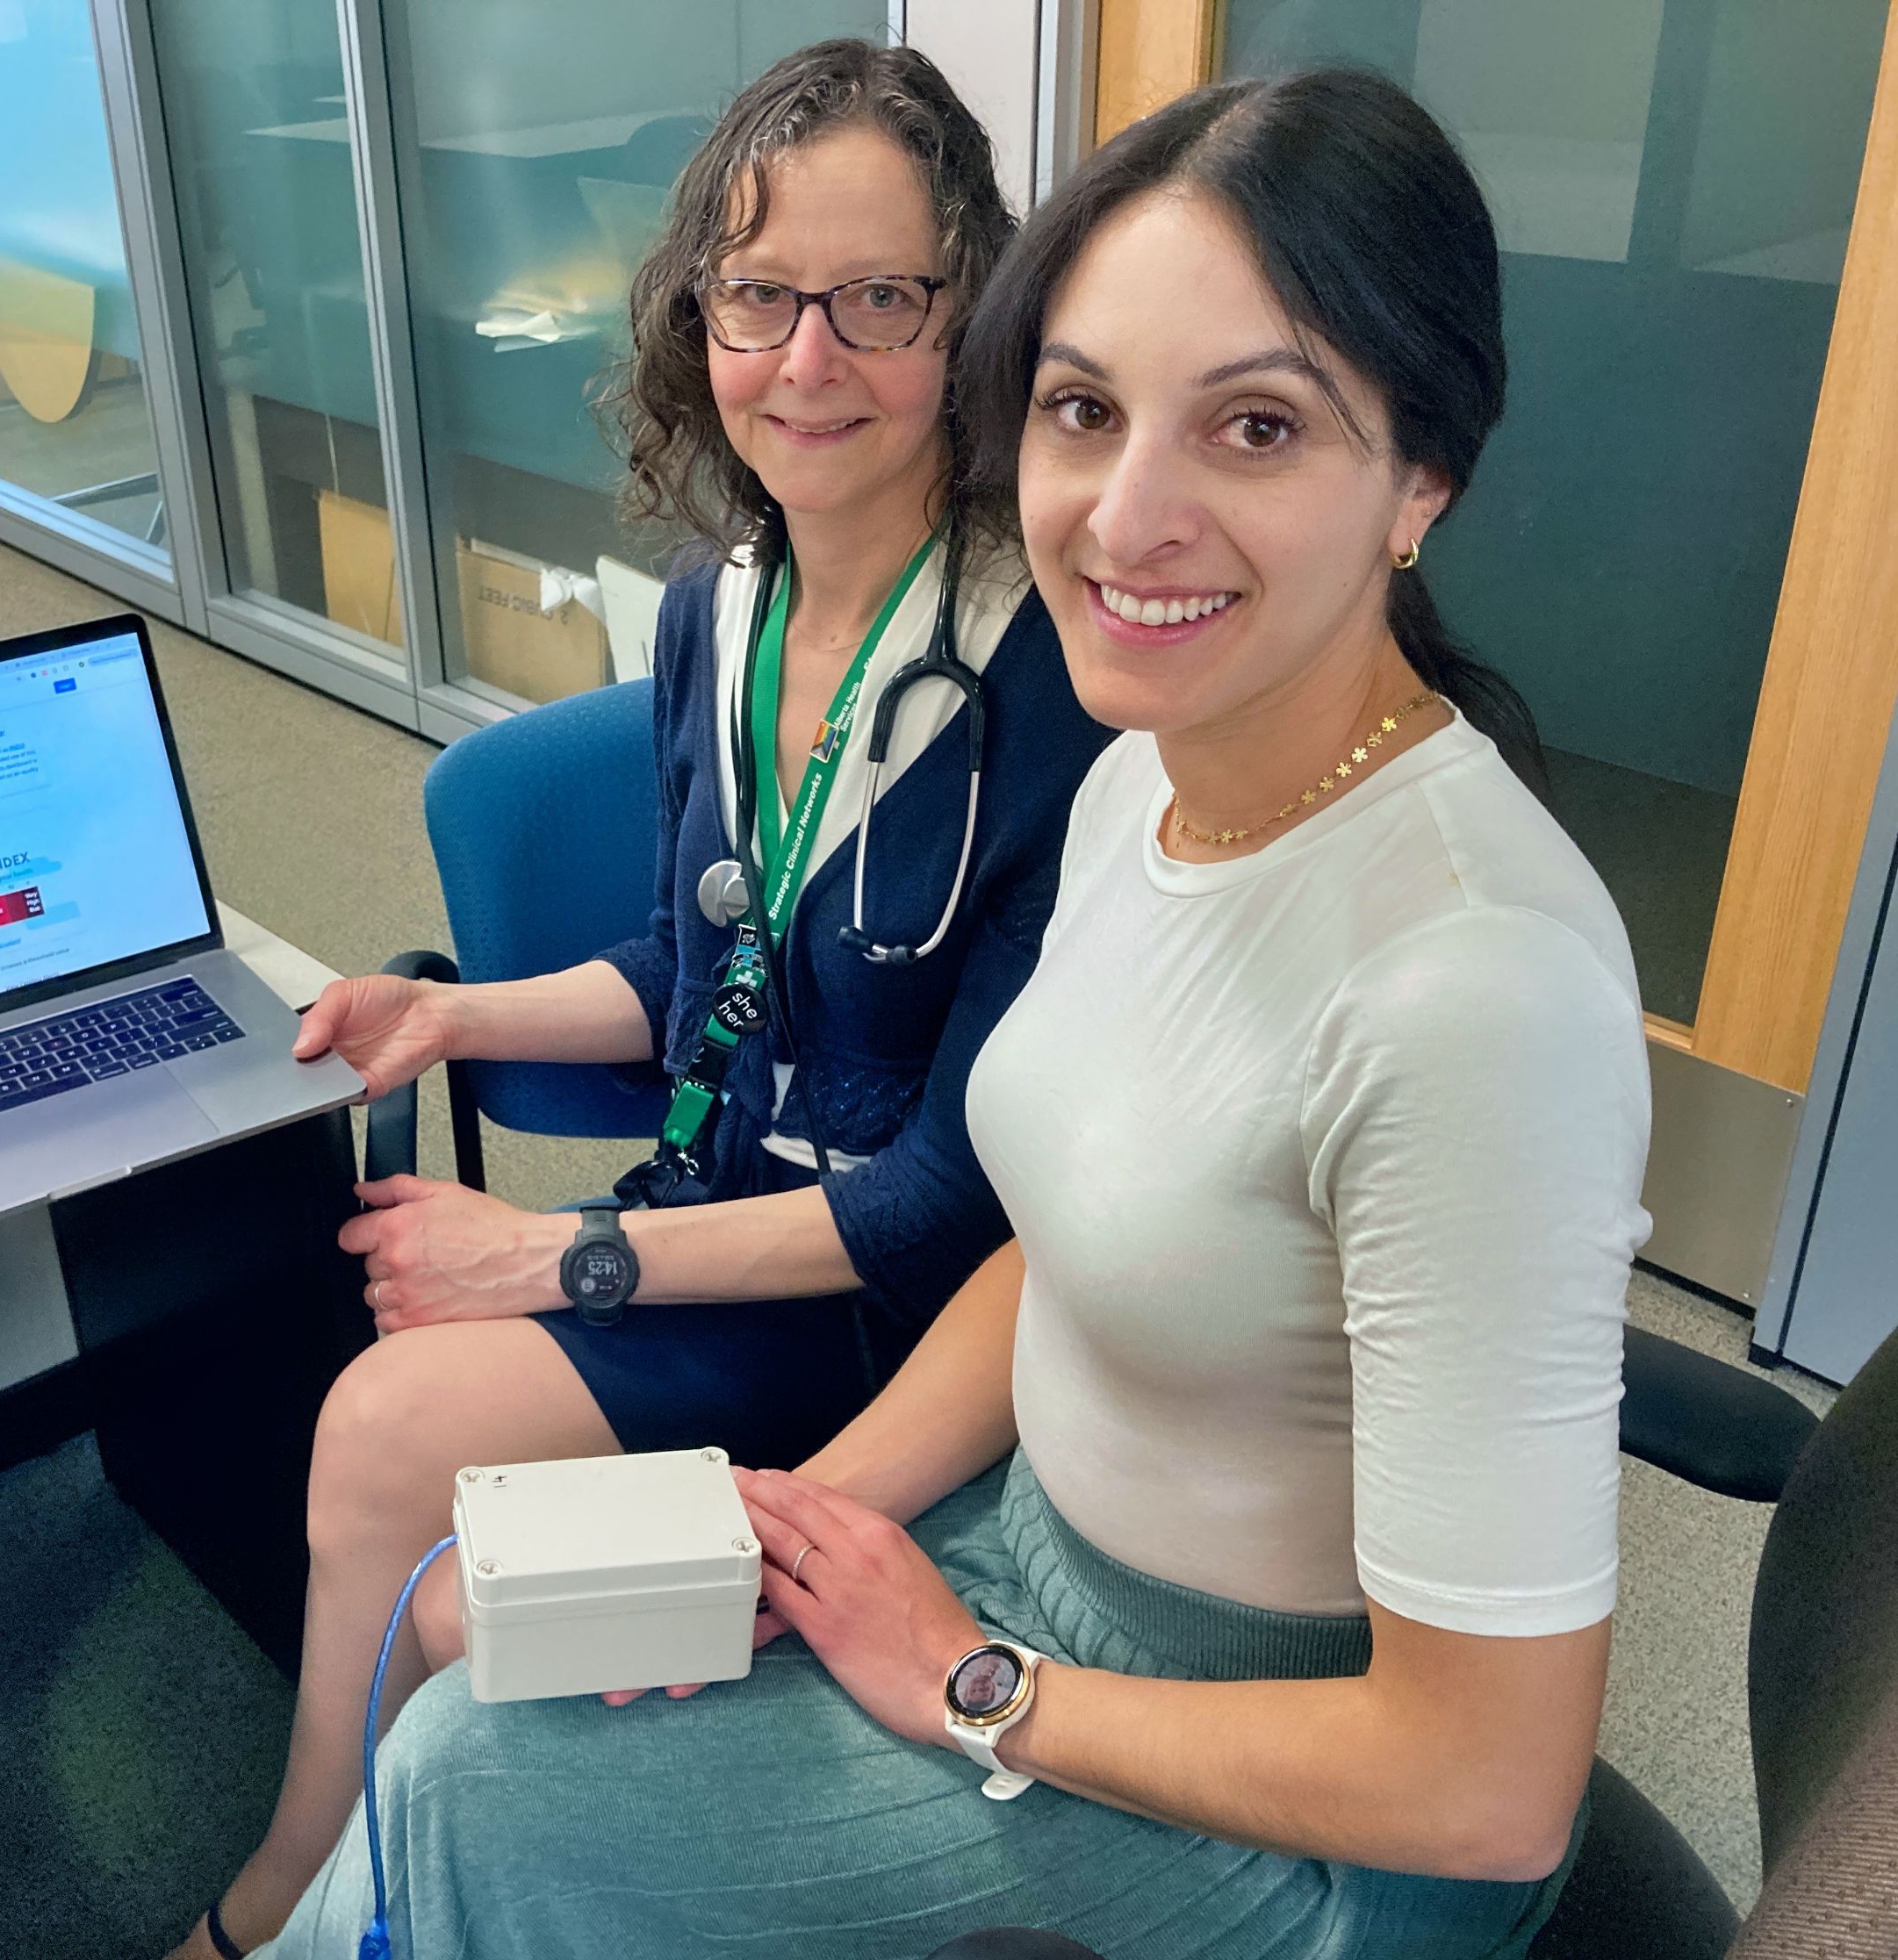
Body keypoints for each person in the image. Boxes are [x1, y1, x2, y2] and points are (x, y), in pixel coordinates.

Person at [255, 68, 1650, 1960]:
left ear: (1422, 477)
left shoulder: (1479, 989)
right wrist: (796, 1525)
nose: (1128, 516)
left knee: (462, 1785)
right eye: (1086, 410)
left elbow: (1486, 1793)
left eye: (1255, 424)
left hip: (1274, 1811)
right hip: (1005, 1550)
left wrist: (976, 1684)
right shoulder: (1151, 788)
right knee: (475, 1636)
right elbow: (1053, 1235)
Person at [169, 40, 1112, 1960]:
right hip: (711, 1223)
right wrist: (455, 1023)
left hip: (897, 1319)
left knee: (382, 1426)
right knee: (394, 1445)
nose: (810, 360)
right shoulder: (722, 601)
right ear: (702, 318)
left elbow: (954, 1198)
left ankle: (304, 1893)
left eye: (881, 300)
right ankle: (379, 1865)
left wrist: (559, 1257)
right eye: (759, 298)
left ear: (975, 316)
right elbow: (708, 973)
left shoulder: (1053, 684)